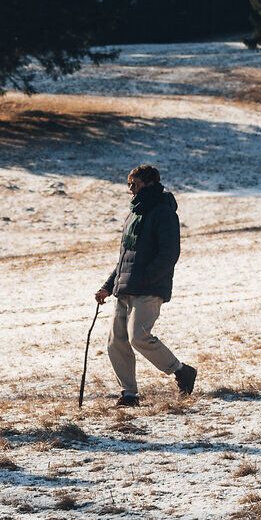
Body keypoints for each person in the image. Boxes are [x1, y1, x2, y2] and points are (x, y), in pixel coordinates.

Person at [95, 164, 196, 407]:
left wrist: (148, 279)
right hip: (125, 288)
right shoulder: (134, 214)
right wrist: (108, 286)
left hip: (149, 288)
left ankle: (181, 371)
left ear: (151, 184)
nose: (131, 189)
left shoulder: (163, 212)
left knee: (138, 336)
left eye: (136, 184)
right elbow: (124, 258)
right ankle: (129, 394)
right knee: (115, 341)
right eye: (129, 184)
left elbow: (169, 254)